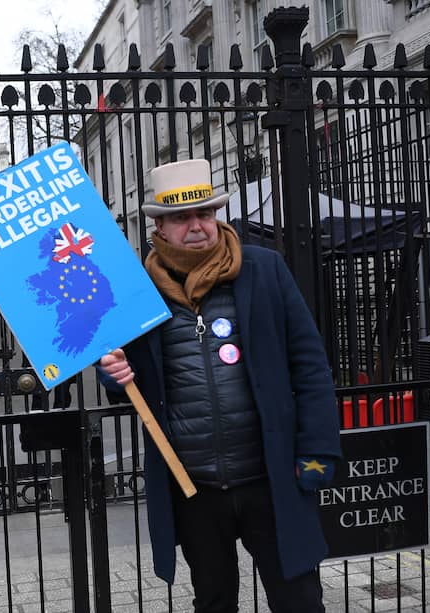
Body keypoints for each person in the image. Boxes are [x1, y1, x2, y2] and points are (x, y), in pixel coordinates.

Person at [99, 159, 342, 613]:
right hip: (194, 488)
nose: (197, 226)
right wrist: (111, 372)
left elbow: (310, 367)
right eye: (181, 217)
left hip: (270, 479)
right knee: (213, 602)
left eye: (205, 213)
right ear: (159, 226)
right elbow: (124, 377)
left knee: (300, 601)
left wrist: (318, 452)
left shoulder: (265, 270)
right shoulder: (137, 291)